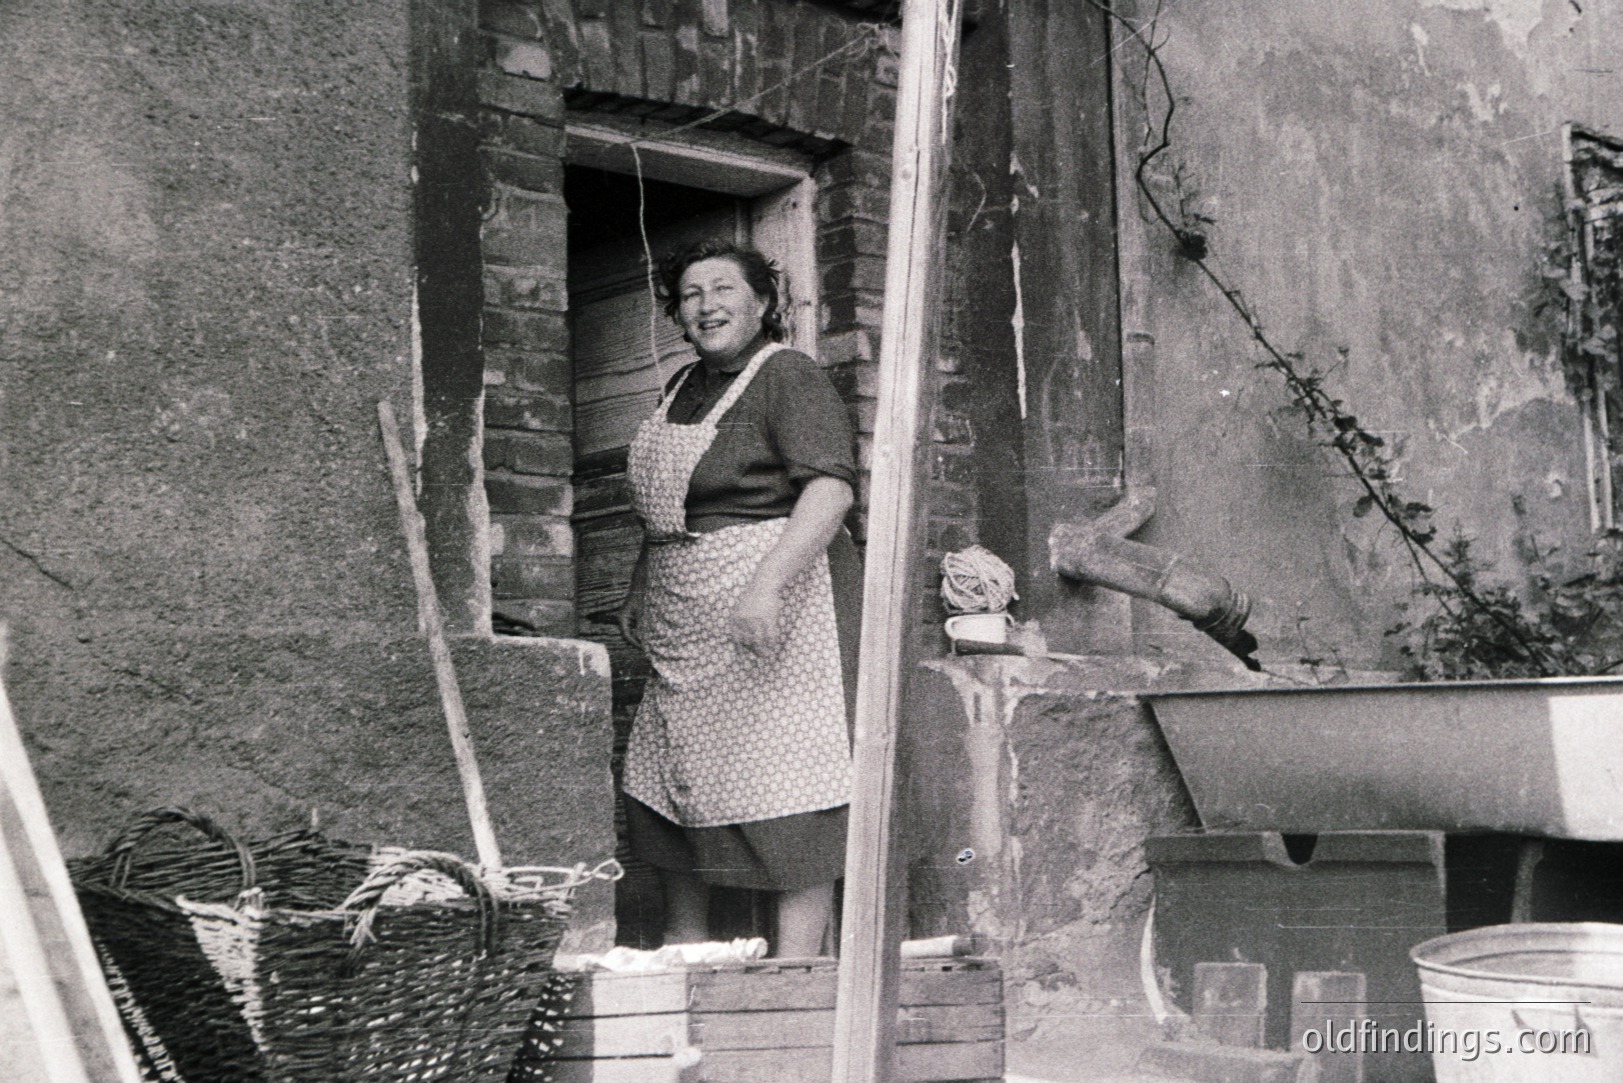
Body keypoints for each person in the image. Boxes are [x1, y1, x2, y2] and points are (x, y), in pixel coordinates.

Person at [616, 239, 861, 958]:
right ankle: (685, 951)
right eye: (691, 294)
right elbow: (665, 504)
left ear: (761, 303)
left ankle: (795, 967)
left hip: (775, 604)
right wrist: (640, 582)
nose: (707, 305)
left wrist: (766, 585)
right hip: (685, 610)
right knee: (676, 776)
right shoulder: (679, 387)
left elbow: (830, 489)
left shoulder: (788, 375)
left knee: (785, 781)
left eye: (724, 289)